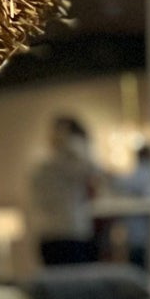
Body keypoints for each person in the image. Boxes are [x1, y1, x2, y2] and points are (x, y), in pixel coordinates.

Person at [30, 114, 99, 266]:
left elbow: (92, 171)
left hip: (64, 231)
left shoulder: (55, 164)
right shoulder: (50, 166)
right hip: (63, 232)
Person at [116, 142, 150, 273]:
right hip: (139, 229)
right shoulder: (149, 172)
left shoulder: (145, 172)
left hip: (142, 229)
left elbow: (121, 184)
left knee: (140, 262)